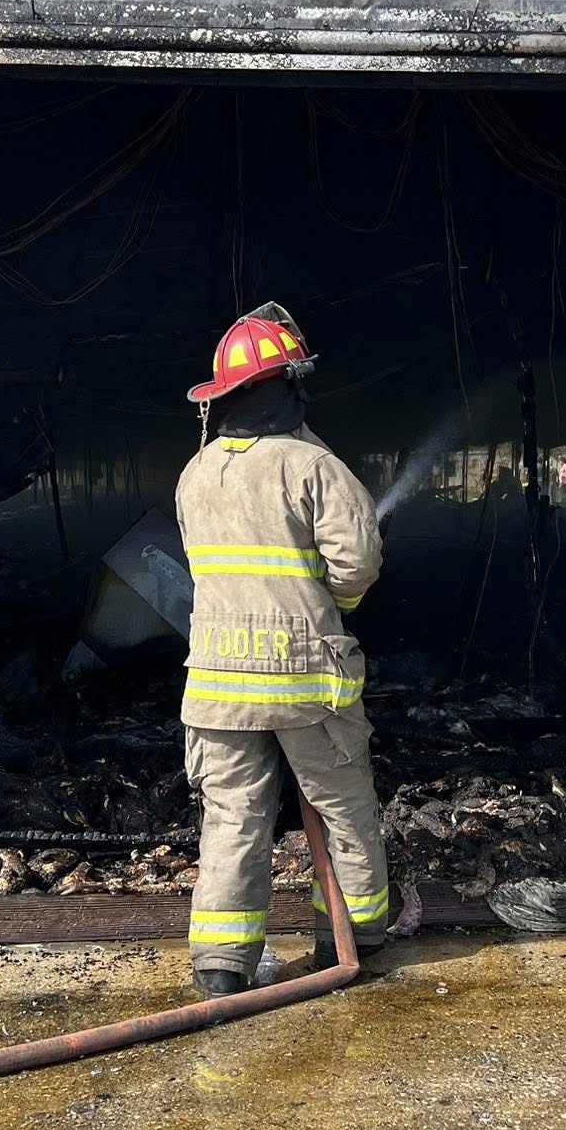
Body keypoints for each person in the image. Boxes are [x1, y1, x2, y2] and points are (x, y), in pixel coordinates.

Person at [174, 303, 389, 998]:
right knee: (342, 805)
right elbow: (357, 563)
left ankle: (221, 964)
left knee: (232, 816)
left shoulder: (195, 473)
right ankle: (351, 938)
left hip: (216, 681)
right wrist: (333, 606)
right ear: (291, 386)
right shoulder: (313, 466)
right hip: (305, 677)